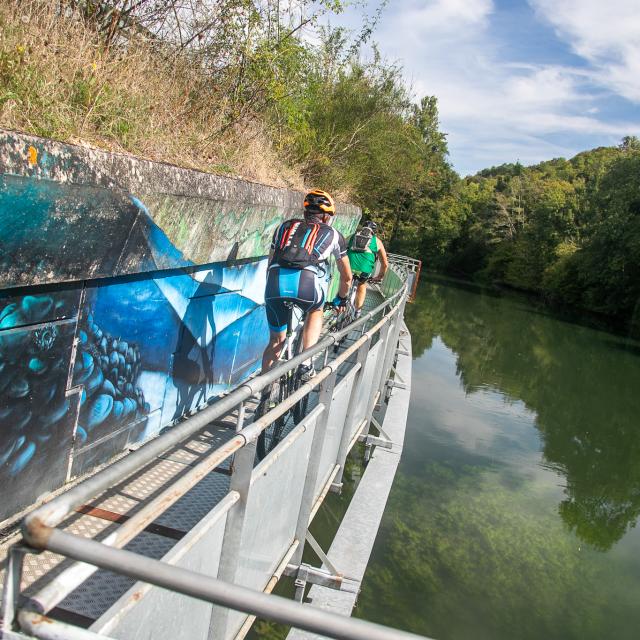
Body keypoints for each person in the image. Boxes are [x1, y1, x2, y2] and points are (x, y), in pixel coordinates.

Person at [261, 189, 352, 379]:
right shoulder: (334, 235)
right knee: (315, 310)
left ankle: (263, 394)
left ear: (305, 213)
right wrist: (341, 299)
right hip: (306, 287)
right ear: (327, 218)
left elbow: (270, 263)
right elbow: (347, 277)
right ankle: (306, 362)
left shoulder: (283, 227)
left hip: (274, 284)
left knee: (275, 341)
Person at [346, 220, 388, 316]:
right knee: (362, 284)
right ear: (374, 231)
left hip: (348, 267)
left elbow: (341, 246)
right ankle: (357, 311)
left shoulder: (352, 236)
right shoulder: (377, 241)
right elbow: (385, 264)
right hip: (364, 270)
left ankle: (340, 302)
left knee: (345, 280)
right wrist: (380, 276)